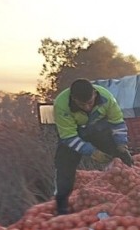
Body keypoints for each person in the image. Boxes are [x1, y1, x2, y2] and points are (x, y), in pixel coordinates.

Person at [53, 79, 134, 215]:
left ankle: (129, 196)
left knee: (120, 157)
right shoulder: (61, 104)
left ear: (95, 94)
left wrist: (121, 144)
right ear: (73, 99)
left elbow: (117, 123)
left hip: (98, 129)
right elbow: (69, 137)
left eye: (90, 103)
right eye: (82, 104)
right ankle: (62, 206)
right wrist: (92, 152)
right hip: (74, 133)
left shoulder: (106, 98)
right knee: (64, 166)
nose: (87, 107)